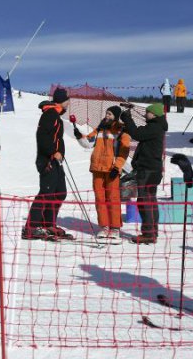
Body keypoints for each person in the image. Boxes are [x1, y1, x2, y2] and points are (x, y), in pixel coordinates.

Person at [74, 106, 131, 241]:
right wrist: (79, 136)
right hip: (97, 168)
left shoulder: (121, 130)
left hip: (112, 169)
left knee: (113, 198)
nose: (107, 116)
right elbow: (88, 143)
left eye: (110, 114)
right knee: (100, 199)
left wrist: (117, 167)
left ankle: (115, 228)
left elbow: (124, 151)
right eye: (106, 113)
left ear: (116, 116)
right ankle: (104, 227)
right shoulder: (100, 128)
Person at [23, 88, 73, 240]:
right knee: (46, 192)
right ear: (62, 100)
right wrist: (53, 152)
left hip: (56, 160)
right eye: (67, 100)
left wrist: (60, 152)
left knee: (60, 192)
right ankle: (31, 227)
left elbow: (58, 139)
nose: (68, 102)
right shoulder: (50, 114)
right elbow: (42, 136)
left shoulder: (56, 116)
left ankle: (48, 223)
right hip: (47, 160)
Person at [120, 103, 168, 244]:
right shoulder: (156, 126)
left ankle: (148, 233)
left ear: (154, 114)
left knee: (145, 201)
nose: (146, 114)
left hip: (148, 170)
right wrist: (128, 123)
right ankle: (152, 232)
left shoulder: (155, 127)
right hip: (152, 170)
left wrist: (127, 118)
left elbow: (137, 134)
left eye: (148, 112)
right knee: (150, 200)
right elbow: (139, 133)